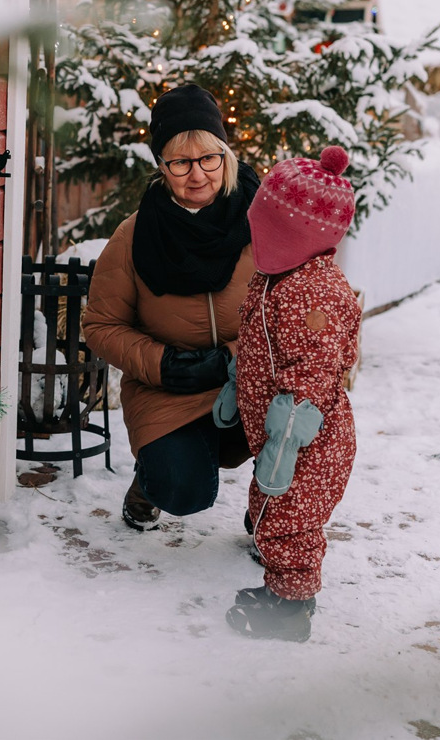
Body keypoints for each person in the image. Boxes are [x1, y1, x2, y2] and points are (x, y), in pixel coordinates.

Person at [81, 83, 260, 531]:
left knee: (308, 427)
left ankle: (272, 517)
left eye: (208, 158)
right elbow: (100, 325)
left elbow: (297, 305)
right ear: (162, 166)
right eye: (180, 162)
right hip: (169, 389)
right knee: (183, 490)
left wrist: (233, 358)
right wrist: (166, 365)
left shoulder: (263, 222)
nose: (197, 174)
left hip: (250, 379)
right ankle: (151, 482)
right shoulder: (135, 235)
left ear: (225, 155)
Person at [223, 145, 361, 643]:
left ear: (297, 236)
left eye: (267, 229)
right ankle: (284, 591)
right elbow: (260, 342)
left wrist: (286, 441)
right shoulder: (277, 277)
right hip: (282, 437)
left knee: (289, 521)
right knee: (273, 508)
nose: (256, 235)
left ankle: (289, 610)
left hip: (306, 442)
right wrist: (237, 383)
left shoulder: (313, 293)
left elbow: (312, 375)